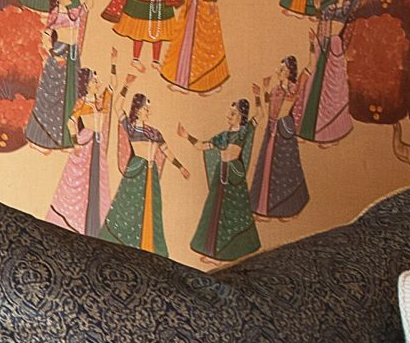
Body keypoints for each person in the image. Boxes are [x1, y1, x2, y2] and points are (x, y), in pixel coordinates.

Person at [101, 86, 185, 256]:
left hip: (150, 173)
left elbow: (166, 150)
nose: (148, 112)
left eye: (148, 109)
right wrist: (125, 87)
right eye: (146, 108)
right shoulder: (131, 128)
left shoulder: (154, 132)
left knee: (151, 210)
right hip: (136, 170)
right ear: (137, 110)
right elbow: (117, 107)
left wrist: (180, 167)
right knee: (128, 208)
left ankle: (147, 246)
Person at [46, 70, 116, 237]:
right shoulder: (82, 103)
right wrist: (75, 141)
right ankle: (73, 223)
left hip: (98, 145)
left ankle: (93, 226)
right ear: (87, 85)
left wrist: (114, 64)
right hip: (86, 143)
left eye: (97, 81)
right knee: (79, 185)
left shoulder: (100, 102)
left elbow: (112, 87)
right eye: (94, 81)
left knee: (97, 184)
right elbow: (71, 122)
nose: (98, 84)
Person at [191, 99, 261, 262]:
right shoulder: (223, 136)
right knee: (216, 212)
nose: (229, 116)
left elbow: (260, 115)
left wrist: (259, 96)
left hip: (235, 176)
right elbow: (202, 146)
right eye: (230, 112)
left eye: (233, 113)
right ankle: (214, 253)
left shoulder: (244, 131)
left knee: (237, 213)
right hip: (221, 175)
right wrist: (187, 136)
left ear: (241, 116)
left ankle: (232, 252)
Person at [25, 0, 90, 148]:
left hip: (73, 58)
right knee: (53, 98)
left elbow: (88, 5)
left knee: (71, 96)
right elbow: (46, 36)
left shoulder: (72, 13)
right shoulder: (55, 14)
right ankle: (44, 138)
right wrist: (54, 55)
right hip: (60, 55)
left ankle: (66, 140)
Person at [295, 0, 358, 146]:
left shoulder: (346, 8)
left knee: (330, 93)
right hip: (321, 45)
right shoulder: (329, 9)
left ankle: (330, 134)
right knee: (312, 86)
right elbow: (322, 27)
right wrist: (317, 10)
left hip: (333, 50)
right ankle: (307, 131)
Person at [248, 56, 309, 218]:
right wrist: (263, 91)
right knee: (266, 168)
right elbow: (270, 107)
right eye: (279, 68)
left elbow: (286, 107)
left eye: (282, 69)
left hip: (283, 131)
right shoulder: (276, 89)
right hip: (272, 128)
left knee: (284, 170)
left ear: (289, 71)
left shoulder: (292, 89)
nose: (278, 71)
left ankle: (287, 209)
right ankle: (264, 208)